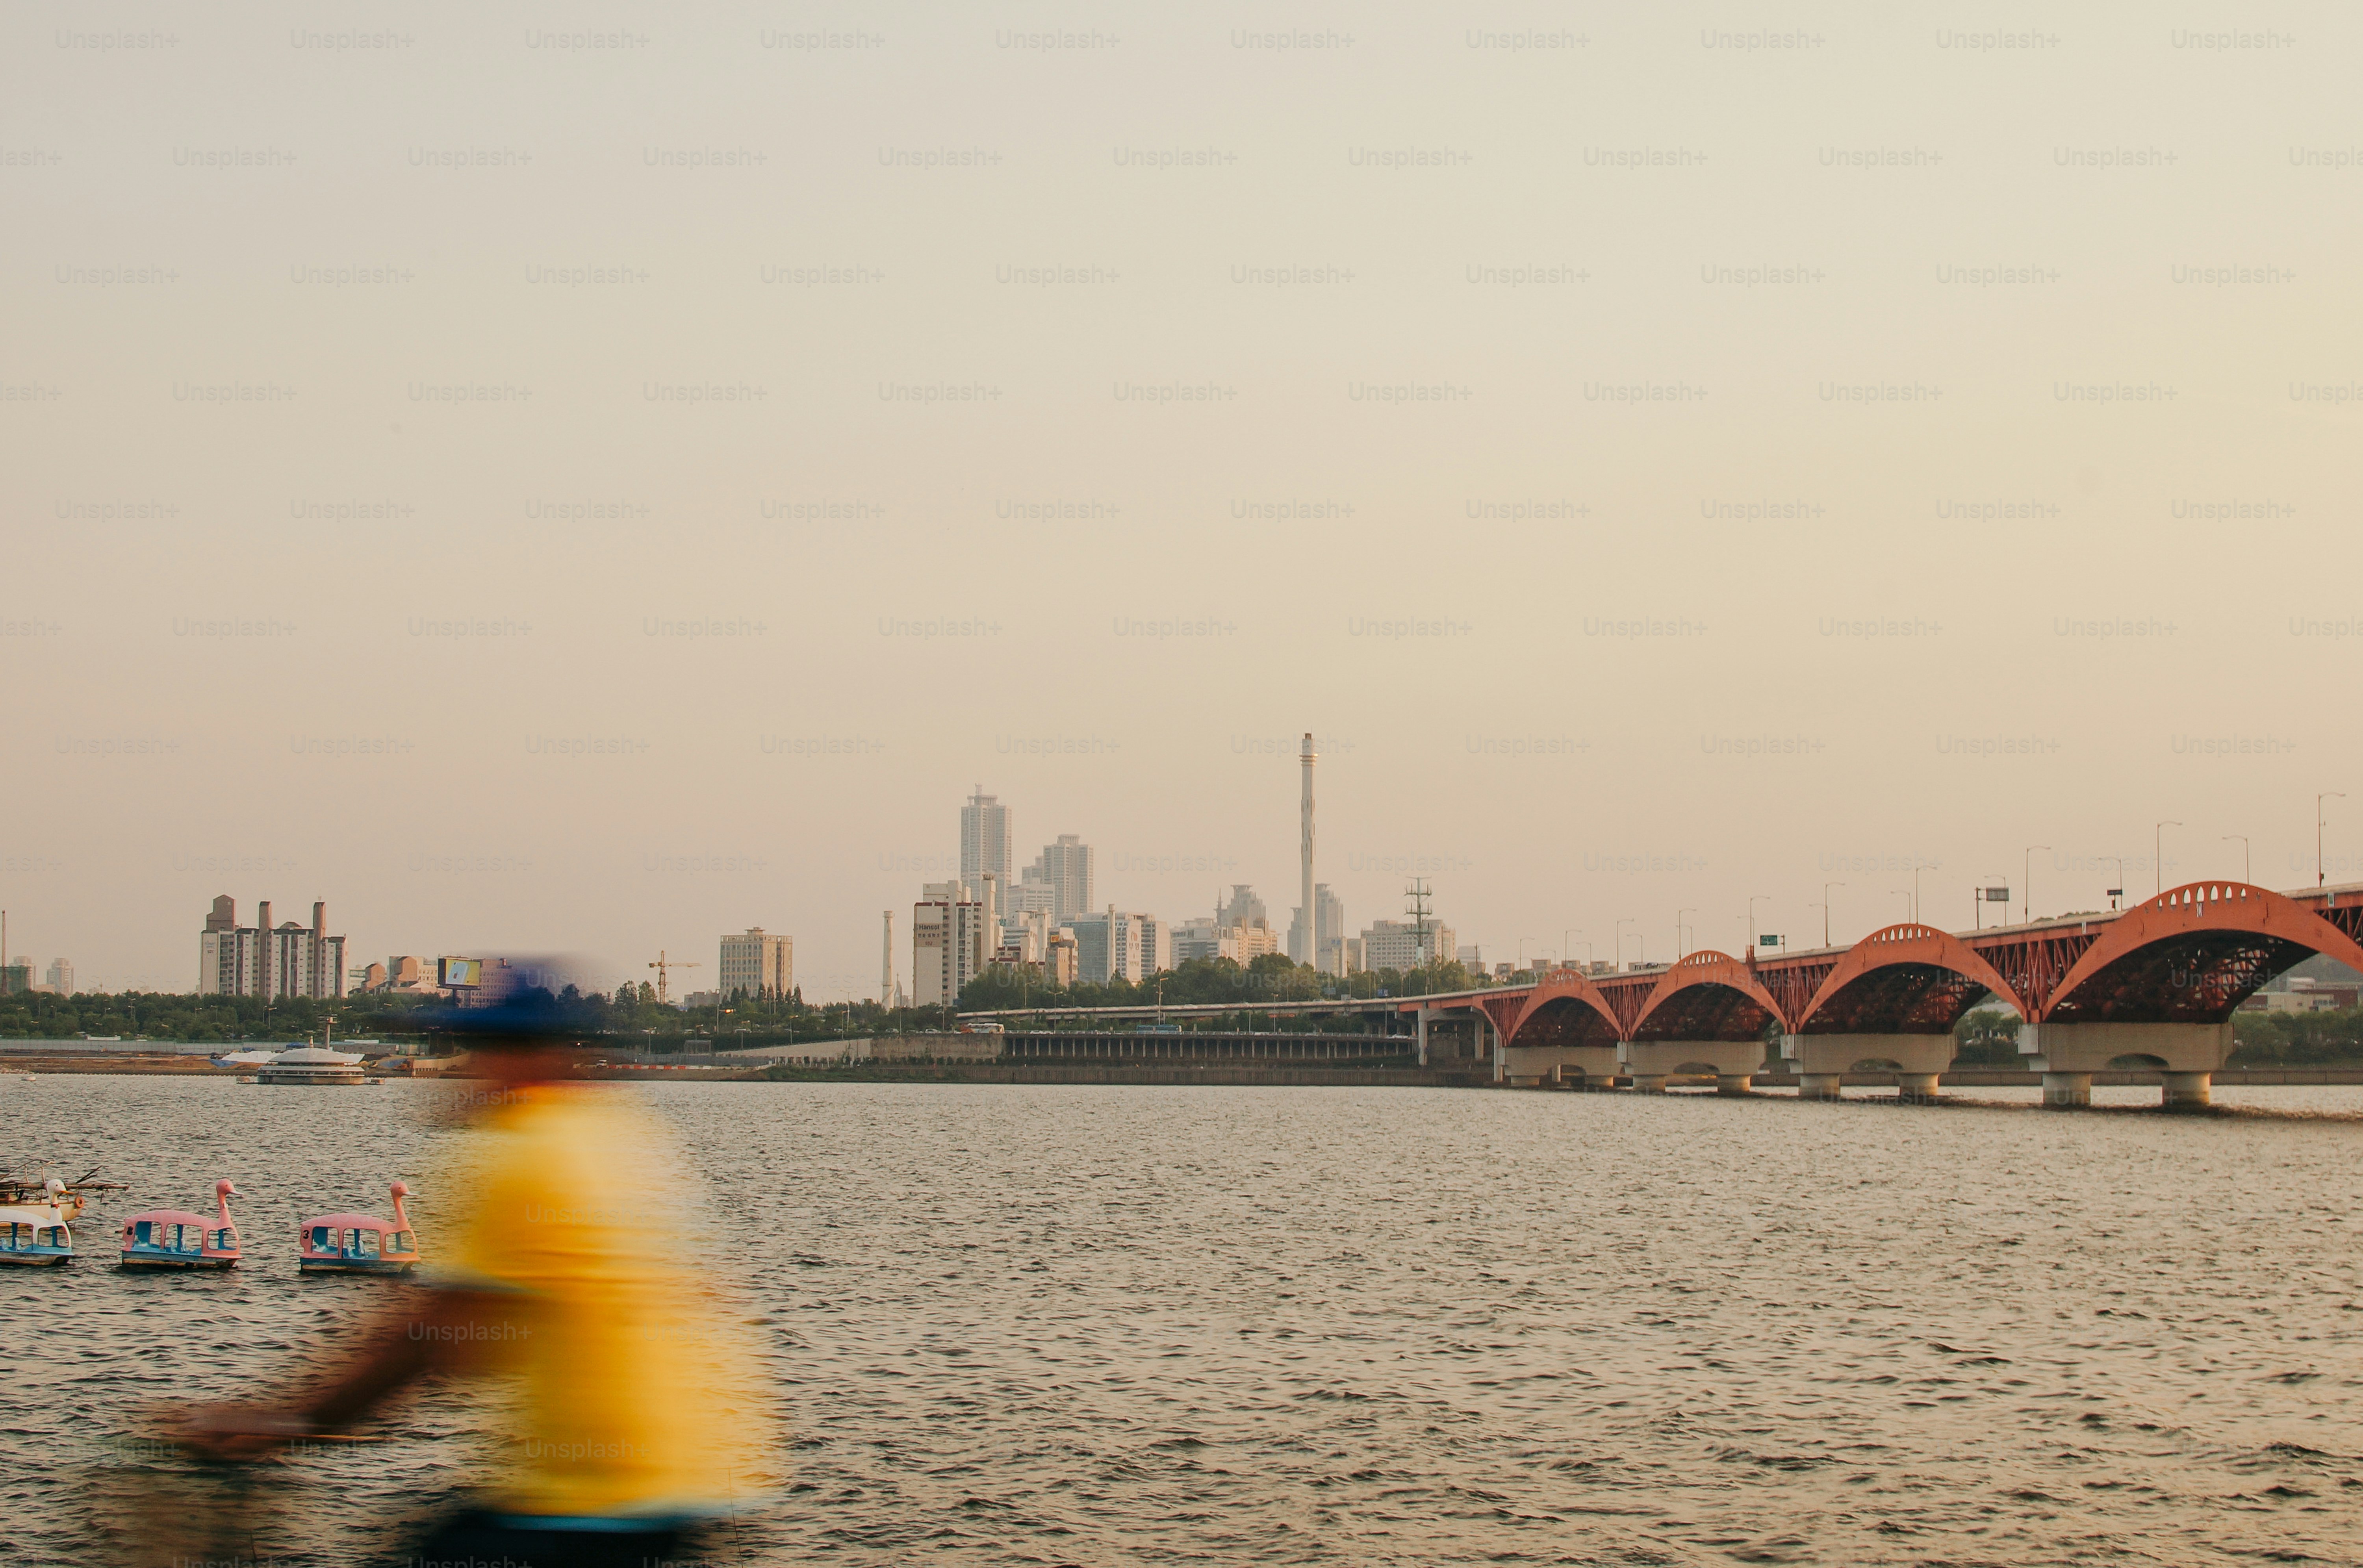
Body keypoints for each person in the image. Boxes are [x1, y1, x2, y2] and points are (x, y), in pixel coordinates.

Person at [183, 1001, 772, 1566]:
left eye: (480, 1052)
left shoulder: (525, 1156)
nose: (466, 1070)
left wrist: (283, 1423)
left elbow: (422, 1341)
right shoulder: (620, 1134)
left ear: (530, 1059)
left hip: (592, 1494)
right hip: (695, 1475)